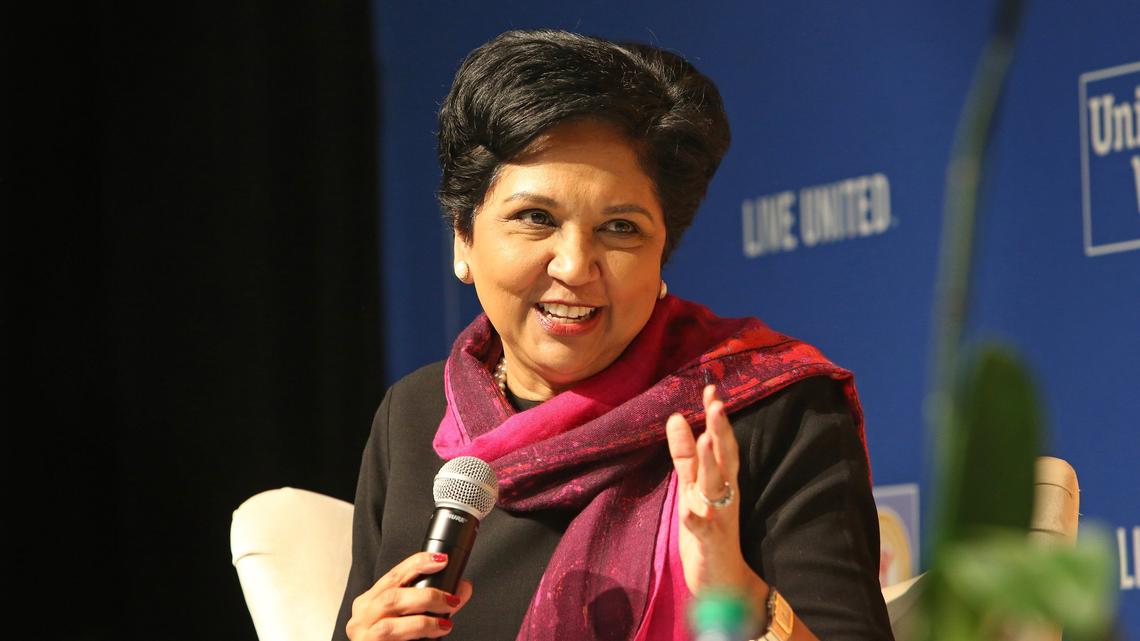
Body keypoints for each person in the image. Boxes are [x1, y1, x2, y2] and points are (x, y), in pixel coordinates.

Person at [332, 29, 893, 641]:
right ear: (463, 239)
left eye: (621, 228)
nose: (575, 266)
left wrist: (737, 597)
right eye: (535, 218)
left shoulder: (767, 412)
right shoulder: (415, 414)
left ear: (661, 253)